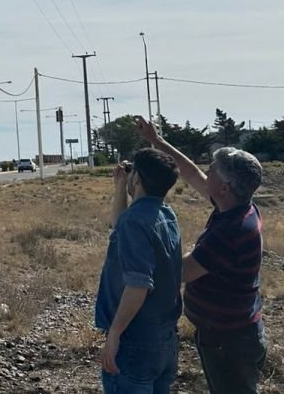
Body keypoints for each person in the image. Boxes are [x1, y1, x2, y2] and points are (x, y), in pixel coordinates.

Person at [134, 116, 267, 394]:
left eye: (214, 170)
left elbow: (181, 272)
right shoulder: (234, 205)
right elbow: (191, 172)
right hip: (232, 333)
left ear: (224, 187)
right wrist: (156, 141)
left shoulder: (230, 230)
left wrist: (147, 240)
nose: (208, 171)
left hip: (228, 341)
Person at [95, 147, 182, 394]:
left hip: (135, 340)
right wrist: (120, 187)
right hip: (164, 338)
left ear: (138, 178)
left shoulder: (134, 222)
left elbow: (138, 285)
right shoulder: (165, 214)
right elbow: (119, 228)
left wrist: (114, 334)